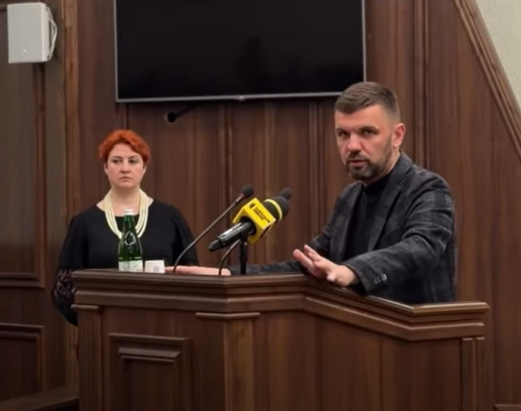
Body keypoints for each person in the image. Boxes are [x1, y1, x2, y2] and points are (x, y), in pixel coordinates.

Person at [173, 81, 457, 305]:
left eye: (367, 132)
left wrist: (351, 271)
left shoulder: (428, 188)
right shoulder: (349, 198)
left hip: (420, 346)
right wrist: (229, 275)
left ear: (397, 135)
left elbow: (420, 248)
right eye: (343, 134)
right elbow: (309, 266)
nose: (352, 146)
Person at [51, 129, 199, 326]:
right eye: (117, 161)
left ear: (144, 168)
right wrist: (93, 322)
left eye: (133, 161)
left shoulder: (170, 217)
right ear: (105, 167)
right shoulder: (84, 223)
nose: (125, 168)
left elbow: (191, 275)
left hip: (164, 326)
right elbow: (64, 289)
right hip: (103, 329)